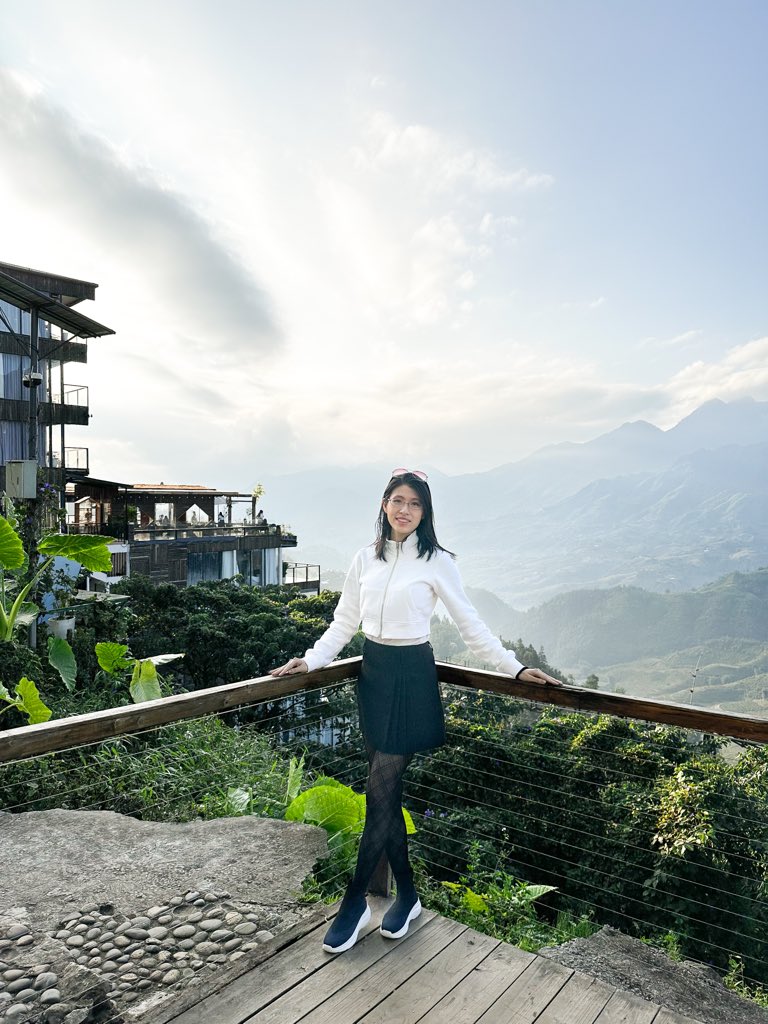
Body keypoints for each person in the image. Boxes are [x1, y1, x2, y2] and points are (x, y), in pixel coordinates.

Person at [271, 468, 561, 955]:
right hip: (375, 675)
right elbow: (344, 622)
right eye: (397, 500)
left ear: (425, 513)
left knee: (379, 791)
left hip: (411, 676)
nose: (404, 509)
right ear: (384, 504)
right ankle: (406, 895)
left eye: (415, 504)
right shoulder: (366, 558)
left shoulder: (437, 561)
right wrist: (312, 659)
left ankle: (355, 903)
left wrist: (515, 668)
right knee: (386, 798)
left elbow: (471, 625)